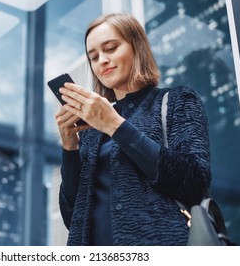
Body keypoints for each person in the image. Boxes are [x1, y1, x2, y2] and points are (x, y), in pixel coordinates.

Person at [54, 13, 211, 246]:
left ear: (137, 47)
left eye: (111, 48)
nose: (102, 61)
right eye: (94, 57)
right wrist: (69, 145)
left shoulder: (177, 100)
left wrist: (114, 125)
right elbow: (73, 218)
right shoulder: (90, 131)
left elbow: (194, 183)